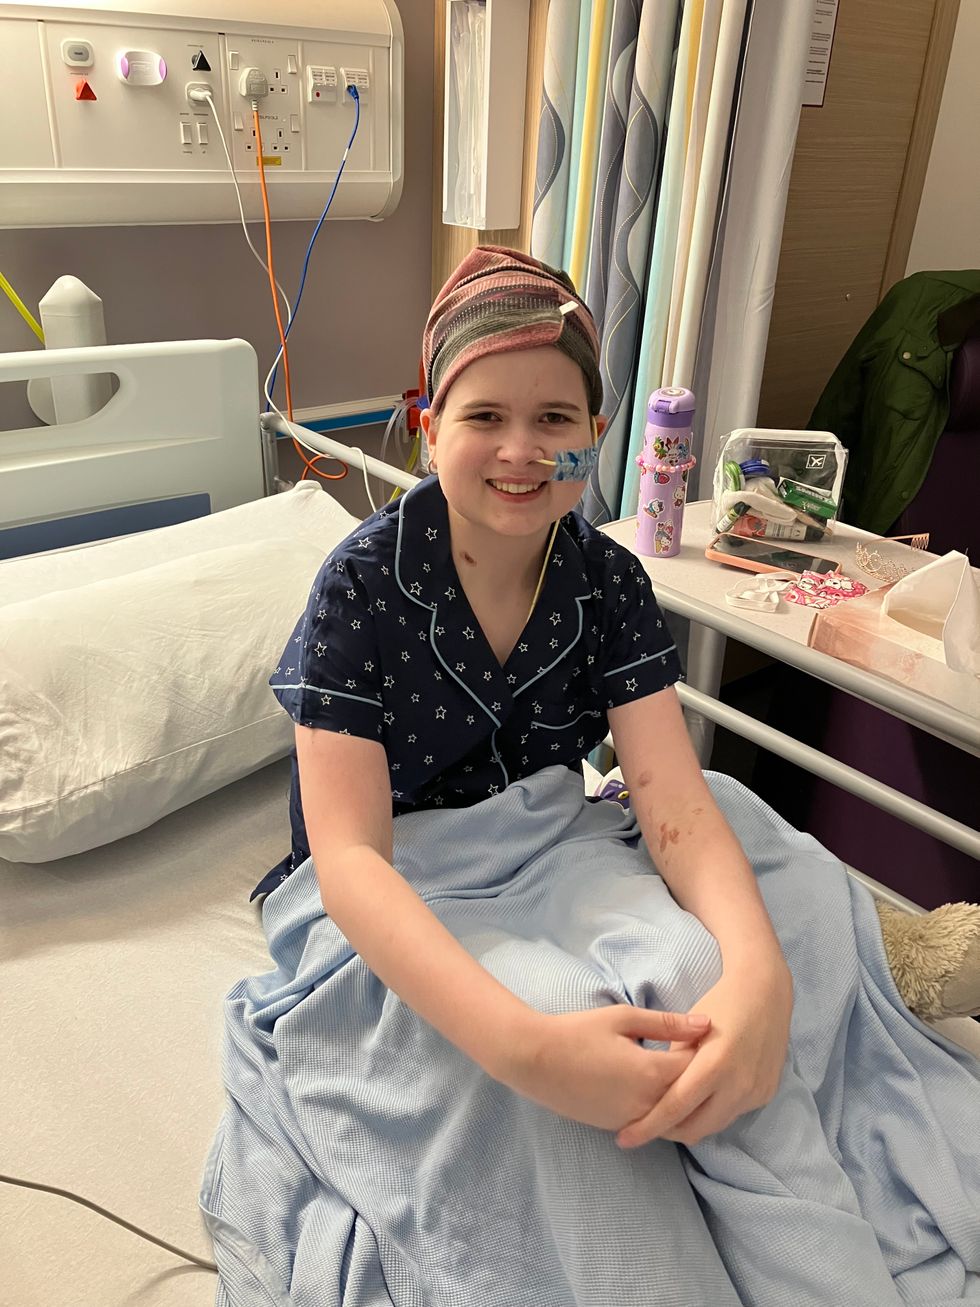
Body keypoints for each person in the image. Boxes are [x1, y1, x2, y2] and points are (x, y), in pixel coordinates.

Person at [260, 245, 793, 1149]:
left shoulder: (609, 582)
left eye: (555, 416)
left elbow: (669, 794)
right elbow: (350, 860)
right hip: (398, 874)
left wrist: (761, 978)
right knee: (554, 1018)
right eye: (485, 416)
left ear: (596, 427)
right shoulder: (360, 587)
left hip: (552, 839)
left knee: (725, 942)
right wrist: (527, 1050)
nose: (522, 449)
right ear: (430, 427)